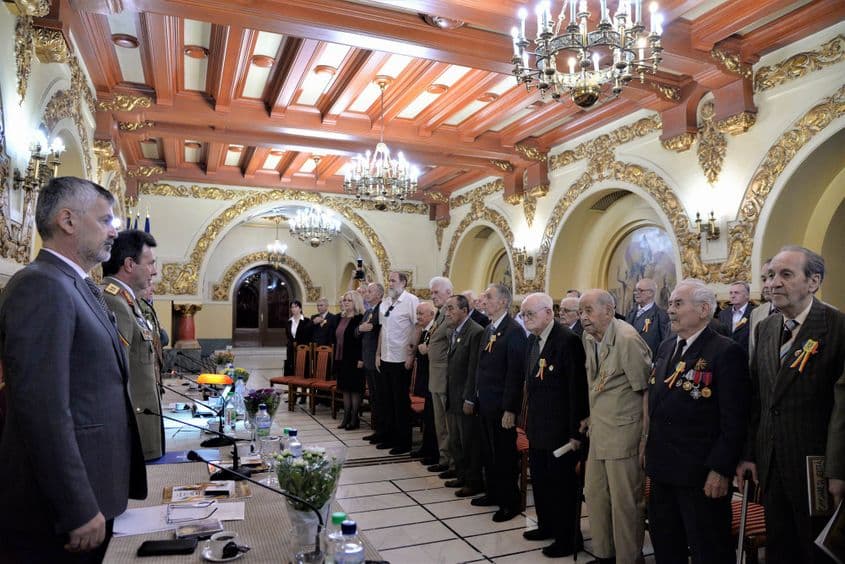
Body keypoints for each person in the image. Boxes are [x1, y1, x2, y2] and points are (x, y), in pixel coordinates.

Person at [0, 177, 147, 563]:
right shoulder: (42, 286)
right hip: (61, 505)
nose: (115, 231)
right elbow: (42, 410)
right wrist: (77, 505)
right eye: (105, 220)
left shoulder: (75, 283)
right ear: (68, 220)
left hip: (95, 484)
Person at [737, 246, 845, 564]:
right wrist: (749, 454)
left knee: (815, 550)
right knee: (780, 547)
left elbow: (843, 405)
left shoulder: (837, 327)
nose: (773, 283)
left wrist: (839, 469)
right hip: (771, 464)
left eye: (786, 274)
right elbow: (757, 397)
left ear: (813, 282)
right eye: (770, 275)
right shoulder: (766, 328)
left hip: (817, 467)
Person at [646, 279, 749, 564]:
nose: (670, 310)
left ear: (704, 309)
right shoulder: (667, 346)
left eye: (678, 304)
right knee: (666, 544)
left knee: (709, 549)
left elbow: (734, 419)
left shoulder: (725, 351)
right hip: (663, 467)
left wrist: (720, 469)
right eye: (670, 304)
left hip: (699, 474)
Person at [579, 289, 651, 564]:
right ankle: (605, 554)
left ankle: (629, 558)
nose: (584, 317)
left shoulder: (628, 339)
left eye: (589, 311)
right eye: (582, 311)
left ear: (608, 311)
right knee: (596, 496)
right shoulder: (590, 337)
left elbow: (645, 390)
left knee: (625, 504)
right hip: (599, 430)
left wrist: (645, 437)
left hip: (624, 434)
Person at [521, 292, 589, 558]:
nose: (526, 319)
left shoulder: (567, 340)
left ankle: (569, 538)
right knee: (541, 482)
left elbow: (576, 389)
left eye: (531, 314)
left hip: (561, 429)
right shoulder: (532, 340)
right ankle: (546, 525)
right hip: (538, 425)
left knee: (562, 488)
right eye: (524, 314)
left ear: (548, 313)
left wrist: (575, 433)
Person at [100, 229, 164, 461]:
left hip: (143, 416)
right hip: (132, 423)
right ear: (129, 264)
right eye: (150, 264)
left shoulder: (128, 301)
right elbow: (115, 375)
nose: (154, 271)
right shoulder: (113, 301)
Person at [474, 283, 526, 522]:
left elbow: (515, 373)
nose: (484, 300)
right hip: (485, 402)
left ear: (503, 301)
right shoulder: (490, 327)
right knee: (488, 452)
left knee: (504, 456)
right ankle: (493, 493)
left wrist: (510, 408)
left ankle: (510, 502)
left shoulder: (513, 330)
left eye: (489, 297)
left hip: (501, 405)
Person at [443, 294, 484, 497]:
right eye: (446, 309)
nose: (446, 312)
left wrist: (470, 398)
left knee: (469, 442)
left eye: (451, 308)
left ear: (464, 310)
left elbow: (474, 368)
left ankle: (473, 481)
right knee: (456, 440)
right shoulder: (455, 330)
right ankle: (461, 476)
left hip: (465, 397)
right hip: (453, 394)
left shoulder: (475, 331)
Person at [375, 271, 419, 455]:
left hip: (401, 358)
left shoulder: (411, 300)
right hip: (385, 356)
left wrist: (411, 354)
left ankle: (403, 442)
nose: (390, 283)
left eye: (393, 280)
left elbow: (417, 327)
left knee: (400, 401)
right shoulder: (385, 302)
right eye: (389, 280)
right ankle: (389, 436)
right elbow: (382, 330)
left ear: (403, 282)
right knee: (386, 400)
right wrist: (377, 353)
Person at [422, 276, 453, 474]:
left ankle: (451, 461)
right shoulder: (440, 314)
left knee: (447, 424)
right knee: (439, 422)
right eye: (431, 292)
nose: (432, 296)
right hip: (435, 375)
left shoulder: (451, 314)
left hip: (444, 375)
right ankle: (443, 458)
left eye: (436, 292)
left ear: (449, 293)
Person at [411, 301, 438, 464]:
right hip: (425, 380)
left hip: (433, 380)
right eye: (417, 313)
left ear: (432, 315)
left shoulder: (434, 330)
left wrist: (427, 351)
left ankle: (432, 451)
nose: (418, 317)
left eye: (422, 314)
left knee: (432, 418)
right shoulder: (424, 330)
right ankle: (425, 447)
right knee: (428, 417)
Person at [334, 291, 365, 430]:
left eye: (349, 300)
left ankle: (354, 419)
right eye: (345, 300)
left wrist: (361, 359)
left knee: (355, 390)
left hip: (355, 358)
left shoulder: (360, 318)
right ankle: (346, 417)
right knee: (345, 389)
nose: (346, 302)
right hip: (342, 358)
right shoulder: (342, 317)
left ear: (356, 302)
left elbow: (362, 341)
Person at [358, 283, 383, 443]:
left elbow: (378, 329)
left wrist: (370, 327)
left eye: (370, 291)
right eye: (366, 291)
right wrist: (361, 328)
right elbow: (357, 331)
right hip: (367, 359)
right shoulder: (368, 311)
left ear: (380, 294)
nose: (366, 294)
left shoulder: (381, 310)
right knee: (373, 397)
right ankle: (376, 429)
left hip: (377, 359)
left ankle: (381, 430)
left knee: (379, 397)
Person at [625, 278, 671, 358]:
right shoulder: (630, 313)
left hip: (649, 363)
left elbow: (666, 344)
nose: (636, 293)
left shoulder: (661, 315)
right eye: (635, 290)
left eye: (640, 290)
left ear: (651, 293)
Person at [718, 281, 755, 353]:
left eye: (736, 293)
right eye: (731, 293)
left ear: (747, 295)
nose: (733, 296)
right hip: (726, 355)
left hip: (747, 355)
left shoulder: (755, 312)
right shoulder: (723, 314)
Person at [748, 258, 775, 357]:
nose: (766, 285)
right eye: (763, 279)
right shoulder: (756, 313)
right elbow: (753, 352)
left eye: (772, 277)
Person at [284, 299, 312, 375]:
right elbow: (288, 335)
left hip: (303, 349)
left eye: (296, 307)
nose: (293, 309)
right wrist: (292, 343)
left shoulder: (307, 321)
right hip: (291, 349)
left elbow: (307, 335)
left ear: (300, 308)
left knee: (302, 371)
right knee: (292, 371)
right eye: (292, 307)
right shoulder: (289, 321)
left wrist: (298, 343)